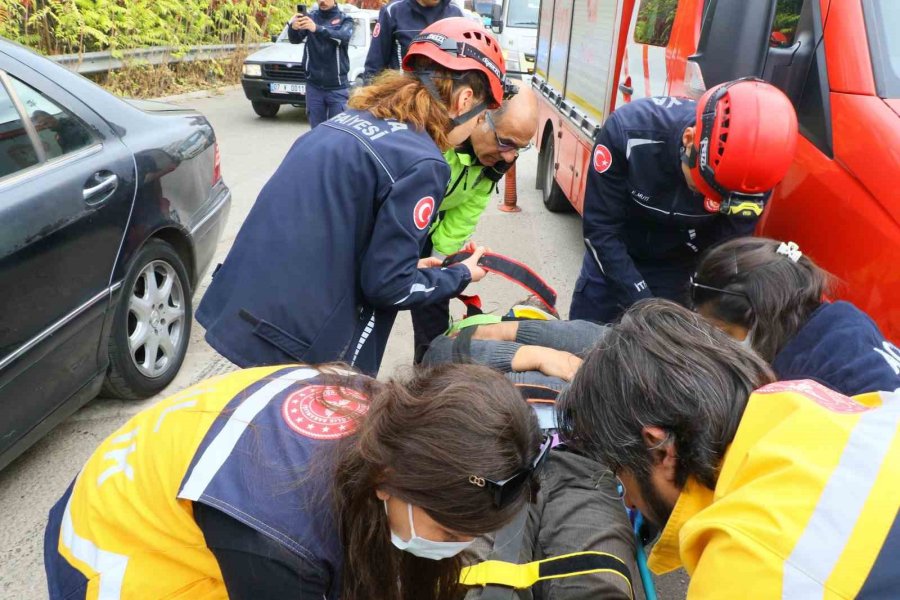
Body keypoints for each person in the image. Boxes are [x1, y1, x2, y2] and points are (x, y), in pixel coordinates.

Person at [44, 363, 543, 600]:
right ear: (391, 481)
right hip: (111, 544)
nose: (460, 546)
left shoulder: (390, 418)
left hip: (165, 484)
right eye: (451, 536)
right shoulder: (281, 539)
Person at [196, 18, 510, 375]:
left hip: (241, 313)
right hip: (294, 351)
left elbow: (333, 231)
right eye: (482, 116)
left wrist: (411, 266)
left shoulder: (347, 122)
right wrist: (461, 276)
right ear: (464, 99)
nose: (477, 126)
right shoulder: (424, 162)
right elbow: (388, 289)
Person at [558, 299, 900, 598]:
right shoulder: (854, 409)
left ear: (661, 450)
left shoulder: (741, 571)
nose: (629, 500)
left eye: (621, 475)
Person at [571, 78, 798, 324]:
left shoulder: (753, 178)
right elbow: (600, 231)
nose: (704, 199)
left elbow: (728, 247)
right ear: (689, 140)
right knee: (584, 346)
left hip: (678, 266)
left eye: (718, 199)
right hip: (616, 254)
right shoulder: (627, 133)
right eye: (701, 188)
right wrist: (642, 302)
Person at [412, 85, 539, 362]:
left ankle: (427, 379)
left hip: (430, 231)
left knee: (433, 323)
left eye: (520, 148)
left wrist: (442, 261)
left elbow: (466, 211)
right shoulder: (433, 141)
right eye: (505, 142)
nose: (509, 157)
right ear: (481, 117)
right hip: (398, 225)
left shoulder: (494, 162)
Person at [690, 236, 900, 395]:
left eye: (722, 332)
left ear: (755, 318)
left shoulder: (804, 382)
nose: (718, 343)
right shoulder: (843, 317)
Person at [287, 0, 355, 128]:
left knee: (337, 132)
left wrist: (317, 28)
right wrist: (293, 28)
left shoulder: (345, 19)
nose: (322, 1)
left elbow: (342, 37)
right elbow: (294, 40)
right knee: (316, 132)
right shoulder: (310, 17)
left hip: (337, 88)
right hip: (314, 86)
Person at [363, 0, 463, 81]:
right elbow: (374, 67)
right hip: (402, 98)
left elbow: (461, 64)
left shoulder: (455, 12)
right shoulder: (393, 11)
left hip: (443, 99)